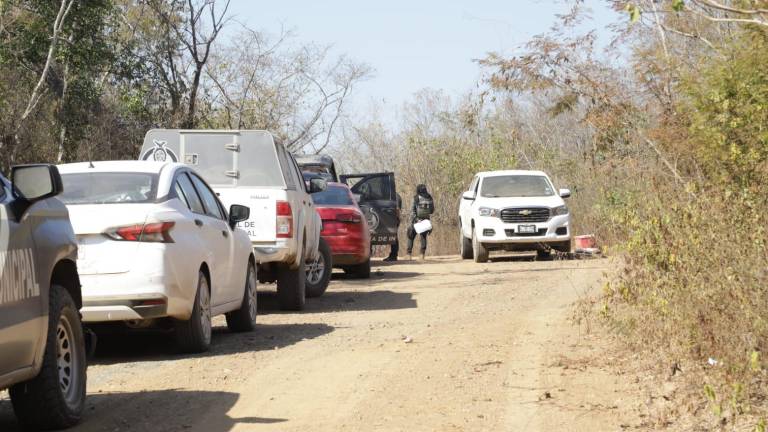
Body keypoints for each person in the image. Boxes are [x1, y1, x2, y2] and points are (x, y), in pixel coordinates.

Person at [406, 184, 434, 260]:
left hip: (416, 221)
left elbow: (412, 211)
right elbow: (432, 211)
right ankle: (422, 254)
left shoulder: (415, 198)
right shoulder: (429, 197)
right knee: (423, 237)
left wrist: (416, 219)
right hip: (426, 221)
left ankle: (408, 255)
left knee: (410, 236)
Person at [383, 192, 403, 262]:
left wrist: (397, 218)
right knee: (393, 236)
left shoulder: (395, 196)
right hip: (392, 218)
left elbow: (397, 208)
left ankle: (394, 255)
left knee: (394, 236)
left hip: (394, 218)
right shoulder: (394, 195)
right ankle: (393, 255)